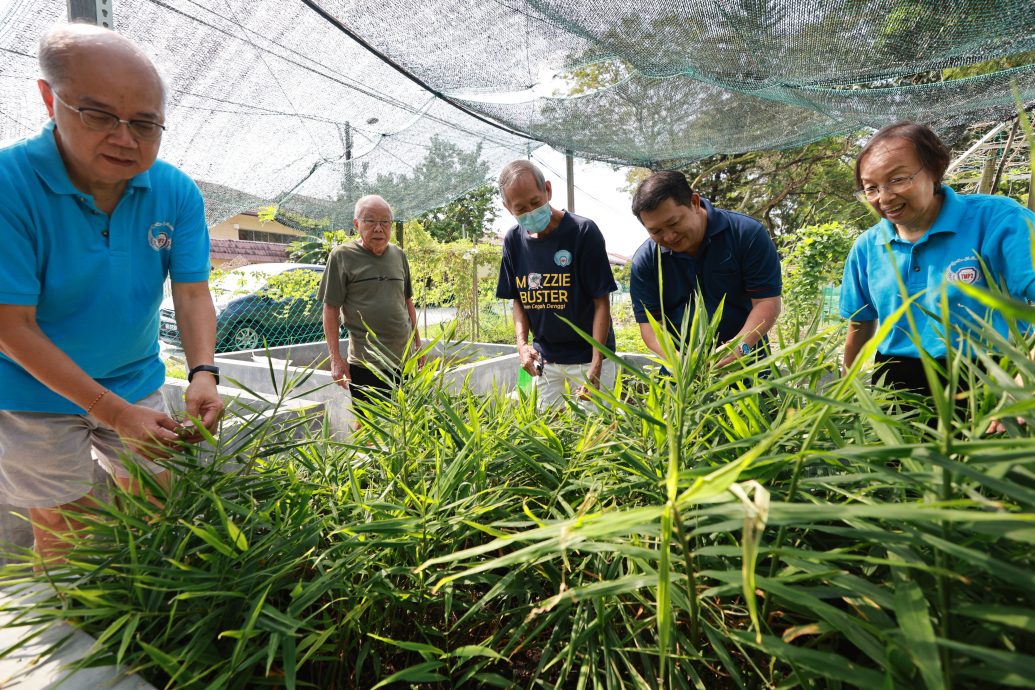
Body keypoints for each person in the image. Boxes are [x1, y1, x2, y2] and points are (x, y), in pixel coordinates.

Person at [0, 24, 224, 562]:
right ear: (50, 99)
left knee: (160, 508)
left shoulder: (174, 190)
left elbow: (192, 293)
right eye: (99, 116)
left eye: (145, 125)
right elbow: (11, 326)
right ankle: (80, 627)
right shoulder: (10, 185)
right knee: (64, 529)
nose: (125, 140)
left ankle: (155, 616)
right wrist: (113, 413)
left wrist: (203, 372)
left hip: (136, 378)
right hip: (33, 394)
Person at [840, 121, 1035, 420]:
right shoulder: (867, 247)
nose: (885, 197)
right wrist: (844, 395)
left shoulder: (1000, 221)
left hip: (994, 376)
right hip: (897, 381)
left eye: (898, 179)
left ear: (935, 169)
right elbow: (859, 327)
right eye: (871, 188)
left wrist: (1025, 383)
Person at [495, 160, 617, 407]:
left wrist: (596, 365)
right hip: (545, 361)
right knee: (547, 433)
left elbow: (601, 302)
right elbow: (518, 299)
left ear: (548, 191)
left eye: (535, 202)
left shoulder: (583, 232)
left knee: (595, 436)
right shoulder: (513, 241)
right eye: (520, 208)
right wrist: (522, 346)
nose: (530, 211)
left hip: (588, 358)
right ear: (508, 208)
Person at [629, 171, 782, 366]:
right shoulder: (646, 261)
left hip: (747, 359)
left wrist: (740, 346)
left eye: (673, 223)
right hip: (681, 368)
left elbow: (766, 302)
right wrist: (680, 362)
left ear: (694, 202)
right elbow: (650, 326)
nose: (668, 237)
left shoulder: (746, 234)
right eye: (656, 231)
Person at [319, 195, 423, 429]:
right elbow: (330, 309)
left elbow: (407, 302)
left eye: (385, 222)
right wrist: (335, 359)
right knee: (368, 425)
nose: (379, 228)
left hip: (403, 360)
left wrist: (418, 345)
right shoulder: (341, 256)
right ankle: (366, 465)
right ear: (356, 224)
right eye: (370, 221)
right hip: (367, 363)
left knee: (403, 424)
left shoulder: (398, 255)